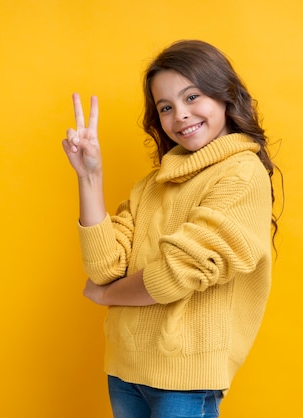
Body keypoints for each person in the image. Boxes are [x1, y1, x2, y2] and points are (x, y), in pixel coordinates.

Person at [61, 40, 279, 418]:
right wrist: (90, 176)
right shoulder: (154, 183)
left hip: (185, 381)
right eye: (166, 107)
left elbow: (172, 275)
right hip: (124, 371)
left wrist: (105, 296)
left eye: (192, 97)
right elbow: (104, 266)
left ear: (225, 96)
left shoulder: (242, 174)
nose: (180, 115)